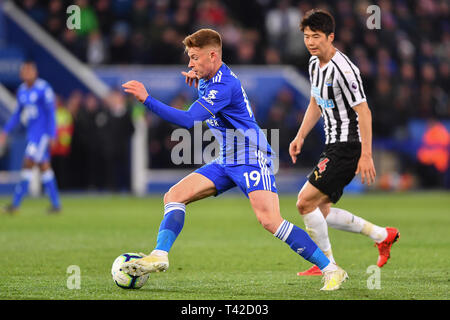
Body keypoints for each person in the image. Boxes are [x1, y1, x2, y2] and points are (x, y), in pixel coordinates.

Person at [122, 28, 348, 290]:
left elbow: (188, 120)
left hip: (251, 156)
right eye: (190, 58)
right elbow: (211, 104)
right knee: (174, 195)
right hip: (227, 159)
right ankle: (160, 255)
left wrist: (147, 99)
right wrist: (199, 81)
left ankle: (332, 269)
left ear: (213, 55)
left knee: (270, 221)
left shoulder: (224, 85)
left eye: (195, 58)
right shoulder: (208, 77)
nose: (190, 64)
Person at [289, 9, 400, 276]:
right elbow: (316, 102)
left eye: (316, 36)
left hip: (349, 146)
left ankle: (328, 265)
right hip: (333, 145)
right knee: (321, 211)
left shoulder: (345, 70)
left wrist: (366, 155)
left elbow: (364, 111)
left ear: (331, 37)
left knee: (304, 203)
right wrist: (300, 135)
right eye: (306, 37)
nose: (311, 42)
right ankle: (383, 235)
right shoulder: (314, 64)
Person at [0, 61, 61, 214]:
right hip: (32, 134)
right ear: (21, 74)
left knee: (27, 164)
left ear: (35, 72)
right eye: (25, 71)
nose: (27, 74)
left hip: (41, 136)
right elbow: (17, 114)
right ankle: (56, 204)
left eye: (30, 71)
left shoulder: (44, 88)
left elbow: (50, 113)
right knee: (44, 168)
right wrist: (5, 130)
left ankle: (15, 204)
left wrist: (52, 134)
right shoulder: (21, 91)